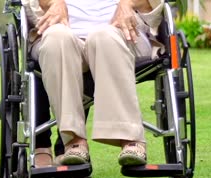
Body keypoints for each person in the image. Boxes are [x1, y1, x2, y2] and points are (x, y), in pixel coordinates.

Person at [24, 0, 165, 167]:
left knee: (103, 36)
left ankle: (130, 139)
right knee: (56, 38)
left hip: (123, 35)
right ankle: (74, 141)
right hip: (64, 33)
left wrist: (129, 3)